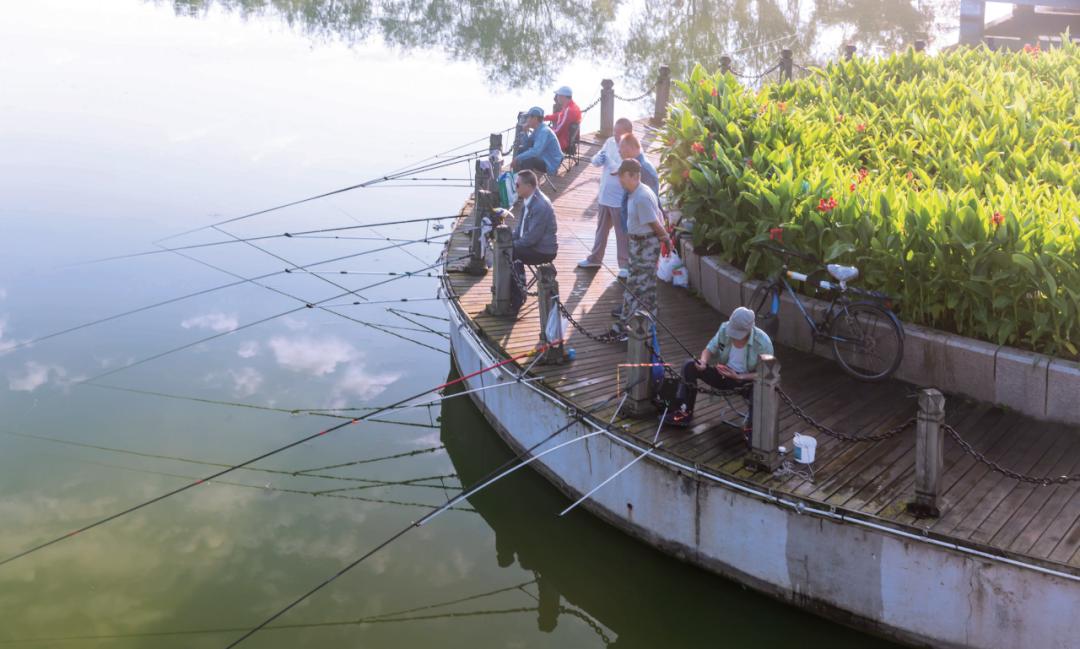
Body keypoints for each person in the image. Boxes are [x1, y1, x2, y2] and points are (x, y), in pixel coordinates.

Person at [669, 306, 775, 432]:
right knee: (689, 365)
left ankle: (752, 429)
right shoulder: (724, 329)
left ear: (749, 329)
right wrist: (703, 362)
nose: (734, 335)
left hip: (746, 381)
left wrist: (739, 376)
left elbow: (768, 374)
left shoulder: (763, 342)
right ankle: (684, 412)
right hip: (723, 374)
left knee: (760, 389)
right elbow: (709, 349)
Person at [610, 159, 671, 335]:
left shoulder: (641, 196)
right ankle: (647, 320)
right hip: (638, 244)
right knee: (646, 284)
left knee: (637, 286)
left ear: (633, 176)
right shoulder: (635, 192)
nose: (620, 180)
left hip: (645, 245)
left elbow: (655, 222)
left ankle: (625, 326)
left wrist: (666, 239)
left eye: (622, 177)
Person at [578, 117, 633, 272]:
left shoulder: (630, 147)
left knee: (621, 233)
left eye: (619, 133)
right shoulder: (609, 141)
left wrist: (608, 161)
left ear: (628, 134)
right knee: (600, 230)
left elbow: (621, 170)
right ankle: (594, 259)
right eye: (614, 131)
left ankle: (624, 265)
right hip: (604, 196)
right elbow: (595, 161)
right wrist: (598, 158)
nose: (615, 135)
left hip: (618, 199)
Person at [615, 133, 660, 280]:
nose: (619, 151)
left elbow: (649, 208)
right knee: (636, 278)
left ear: (630, 148)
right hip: (636, 235)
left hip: (643, 239)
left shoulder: (643, 170)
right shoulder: (632, 166)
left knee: (642, 280)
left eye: (621, 148)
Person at [513, 107, 563, 175]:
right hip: (544, 156)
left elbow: (535, 151)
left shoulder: (543, 131)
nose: (527, 120)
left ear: (535, 119)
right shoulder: (538, 129)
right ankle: (520, 177)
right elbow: (527, 144)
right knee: (522, 150)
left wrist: (517, 158)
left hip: (551, 161)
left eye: (529, 117)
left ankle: (528, 182)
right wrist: (525, 132)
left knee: (528, 158)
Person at [544, 86, 581, 153]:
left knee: (540, 136)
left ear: (563, 97)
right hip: (568, 138)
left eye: (557, 96)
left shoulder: (569, 111)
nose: (556, 98)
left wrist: (545, 131)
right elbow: (559, 116)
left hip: (562, 141)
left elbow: (559, 130)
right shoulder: (572, 106)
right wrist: (544, 118)